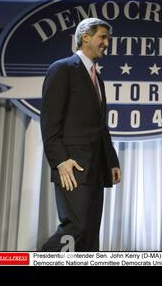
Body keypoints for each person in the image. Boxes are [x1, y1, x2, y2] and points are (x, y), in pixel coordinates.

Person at [40, 18, 121, 251]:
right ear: (85, 36)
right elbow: (50, 123)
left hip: (96, 168)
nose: (107, 43)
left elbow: (101, 126)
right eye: (102, 37)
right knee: (76, 228)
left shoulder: (98, 79)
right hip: (72, 168)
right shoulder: (63, 68)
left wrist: (112, 161)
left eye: (108, 38)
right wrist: (60, 161)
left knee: (90, 237)